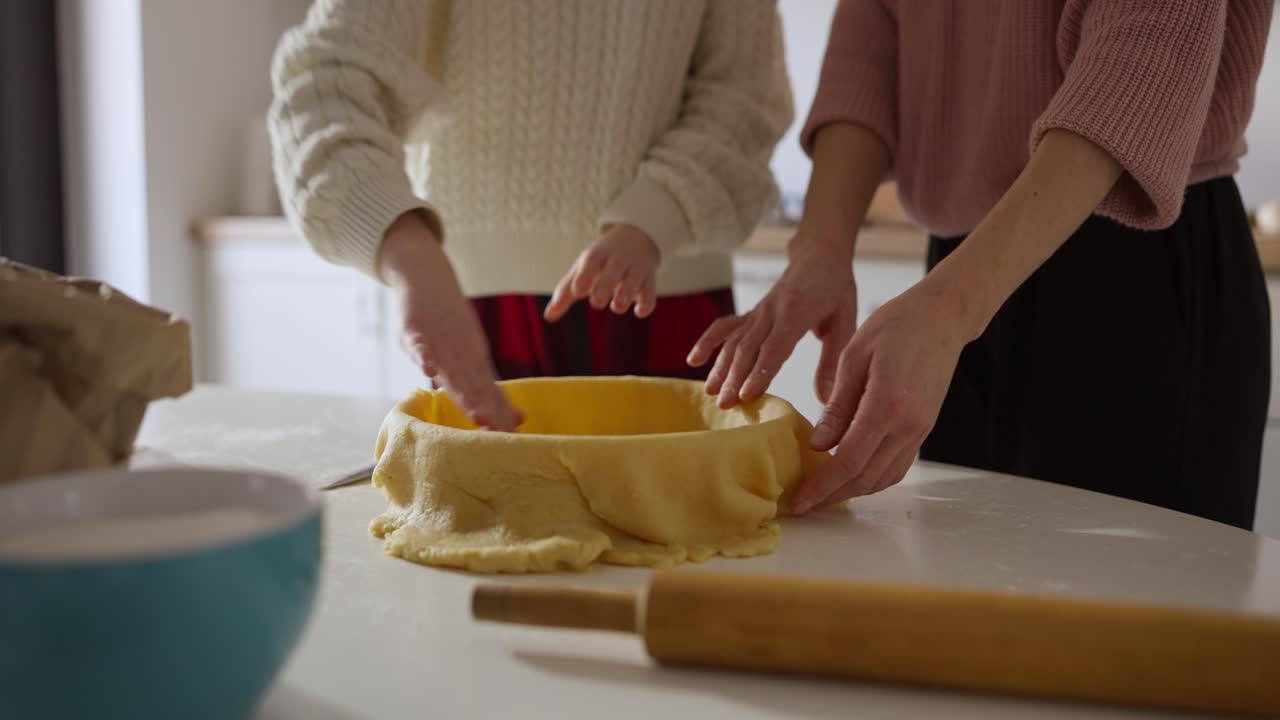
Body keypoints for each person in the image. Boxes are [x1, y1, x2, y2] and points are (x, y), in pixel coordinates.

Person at [692, 0, 1273, 530]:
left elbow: (1141, 59)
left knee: (1134, 632)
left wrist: (950, 306)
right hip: (958, 282)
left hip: (1138, 269)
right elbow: (869, 37)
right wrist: (818, 248)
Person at [269, 0, 792, 431]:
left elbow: (743, 100)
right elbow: (326, 81)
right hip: (471, 309)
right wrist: (406, 251)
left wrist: (656, 216)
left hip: (662, 293)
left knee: (688, 543)